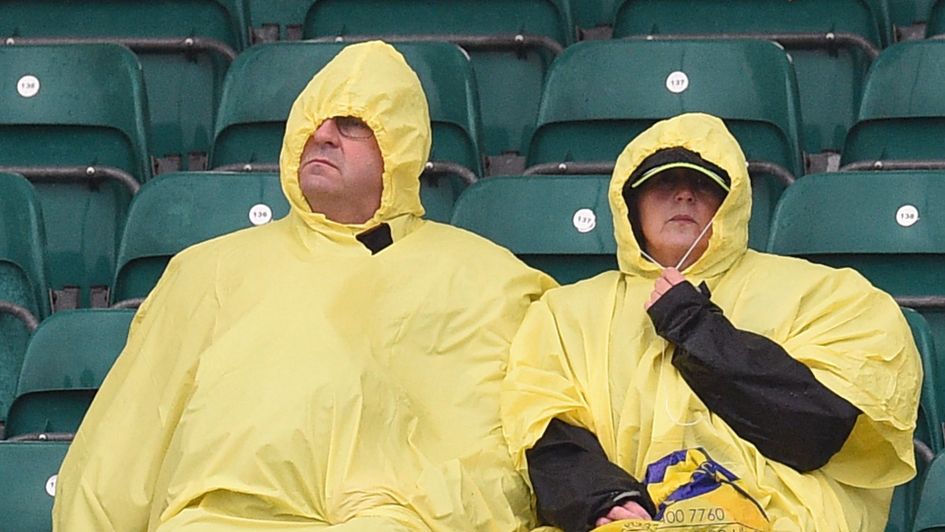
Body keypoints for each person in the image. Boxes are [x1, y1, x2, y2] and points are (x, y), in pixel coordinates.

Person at [54, 41, 555, 531]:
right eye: (313, 122)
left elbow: (515, 454)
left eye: (353, 125)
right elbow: (122, 447)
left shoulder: (489, 281)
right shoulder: (209, 271)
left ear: (400, 149)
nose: (323, 136)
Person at [502, 113, 921, 531]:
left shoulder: (825, 295)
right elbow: (545, 431)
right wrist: (603, 498)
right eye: (664, 183)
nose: (684, 195)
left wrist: (695, 328)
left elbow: (817, 431)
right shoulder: (565, 313)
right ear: (632, 202)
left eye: (705, 184)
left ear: (731, 202)